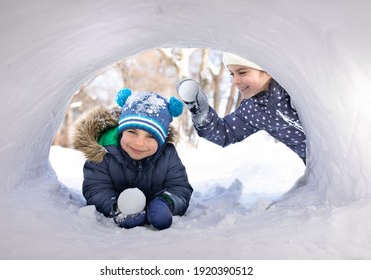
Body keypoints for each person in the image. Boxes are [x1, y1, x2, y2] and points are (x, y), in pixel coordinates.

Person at [73, 88, 193, 230]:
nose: (139, 143)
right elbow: (96, 189)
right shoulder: (104, 153)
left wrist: (167, 202)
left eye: (151, 136)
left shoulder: (168, 155)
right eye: (132, 132)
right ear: (121, 131)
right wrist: (117, 207)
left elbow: (180, 187)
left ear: (161, 140)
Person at [176, 52, 306, 164]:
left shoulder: (294, 87)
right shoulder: (253, 109)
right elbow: (225, 133)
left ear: (267, 69)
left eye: (242, 72)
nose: (235, 81)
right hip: (320, 170)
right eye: (232, 74)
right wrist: (200, 111)